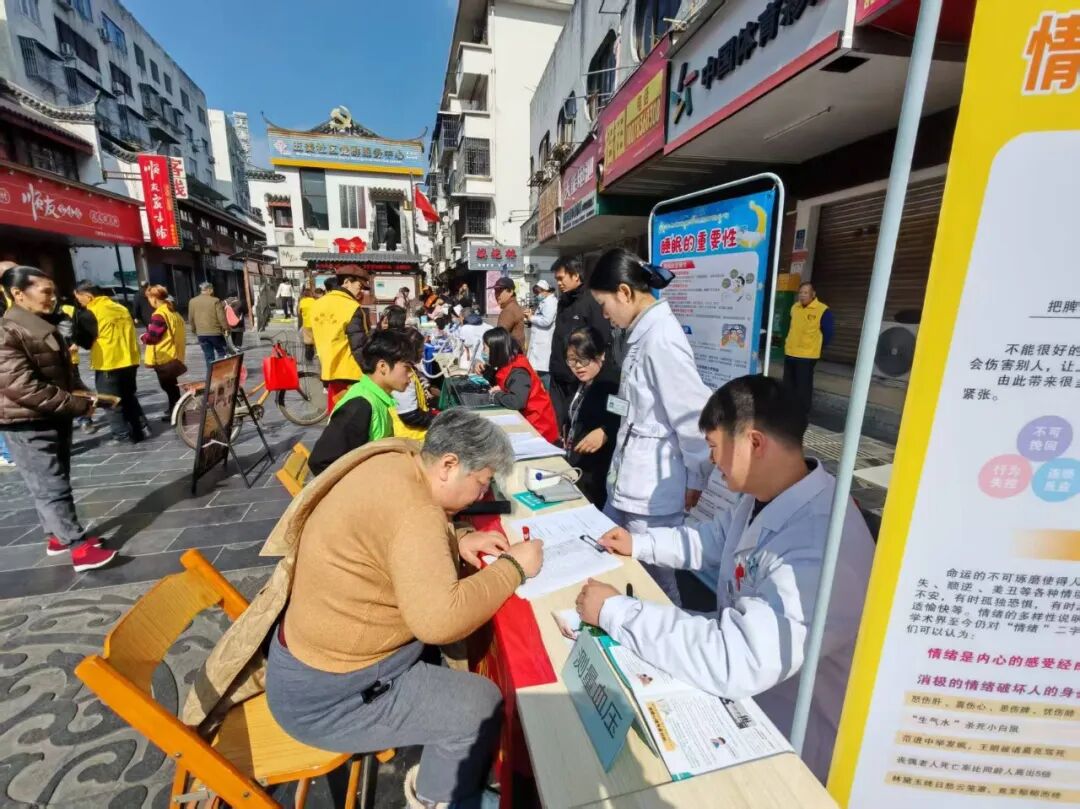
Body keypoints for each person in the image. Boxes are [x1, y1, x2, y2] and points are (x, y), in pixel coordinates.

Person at [579, 376, 874, 781]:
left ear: (754, 443)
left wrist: (616, 612)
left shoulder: (820, 544)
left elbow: (737, 658)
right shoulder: (764, 494)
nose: (712, 461)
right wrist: (640, 544)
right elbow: (712, 539)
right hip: (752, 704)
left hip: (793, 746)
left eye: (715, 447)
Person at [261, 410, 543, 808]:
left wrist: (456, 540)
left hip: (309, 661)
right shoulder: (416, 514)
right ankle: (436, 797)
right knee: (479, 705)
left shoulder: (397, 460)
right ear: (449, 465)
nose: (482, 496)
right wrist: (514, 568)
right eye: (481, 483)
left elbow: (394, 540)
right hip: (329, 696)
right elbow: (439, 621)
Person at [588, 248, 712, 605]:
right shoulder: (641, 334)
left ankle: (669, 629)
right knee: (614, 560)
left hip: (652, 492)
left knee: (656, 584)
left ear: (624, 292)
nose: (604, 314)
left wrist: (696, 477)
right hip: (630, 480)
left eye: (604, 304)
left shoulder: (662, 338)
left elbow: (691, 414)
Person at [0, 265, 116, 571]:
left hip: (52, 415)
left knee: (53, 480)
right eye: (46, 292)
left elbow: (62, 372)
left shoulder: (40, 323)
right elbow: (22, 387)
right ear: (18, 293)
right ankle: (78, 549)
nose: (53, 298)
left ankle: (56, 537)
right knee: (50, 485)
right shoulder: (8, 331)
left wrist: (83, 396)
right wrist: (75, 405)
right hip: (26, 422)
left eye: (53, 291)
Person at [308, 329, 417, 476]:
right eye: (407, 367)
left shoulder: (377, 398)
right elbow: (320, 462)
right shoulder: (360, 405)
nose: (411, 375)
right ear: (383, 366)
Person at [74, 281, 148, 445]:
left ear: (88, 296)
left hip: (109, 362)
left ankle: (122, 435)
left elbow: (85, 341)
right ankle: (139, 430)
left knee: (110, 401)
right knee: (129, 397)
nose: (79, 302)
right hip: (130, 360)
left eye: (79, 298)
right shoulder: (120, 308)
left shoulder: (90, 312)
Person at [561, 326, 620, 509]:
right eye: (572, 361)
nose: (578, 366)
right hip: (575, 465)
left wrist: (605, 431)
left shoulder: (612, 383)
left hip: (598, 475)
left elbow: (624, 417)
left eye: (584, 360)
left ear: (601, 355)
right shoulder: (578, 383)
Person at [548, 257, 611, 425]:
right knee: (558, 423)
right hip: (558, 374)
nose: (558, 283)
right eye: (556, 279)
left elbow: (601, 340)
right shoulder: (563, 301)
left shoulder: (591, 302)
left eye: (561, 278)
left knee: (576, 423)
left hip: (578, 378)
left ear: (576, 275)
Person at [481, 327, 558, 443]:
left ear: (496, 350)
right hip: (527, 420)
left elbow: (517, 401)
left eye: (485, 348)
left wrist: (495, 395)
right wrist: (486, 369)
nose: (483, 352)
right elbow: (497, 380)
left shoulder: (518, 371)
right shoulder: (506, 363)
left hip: (538, 426)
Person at [309, 266, 370, 409]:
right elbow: (358, 345)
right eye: (359, 286)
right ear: (347, 282)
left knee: (338, 413)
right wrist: (369, 370)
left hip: (329, 370)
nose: (361, 290)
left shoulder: (317, 304)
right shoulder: (351, 306)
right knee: (355, 415)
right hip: (351, 373)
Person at [783, 282, 834, 415]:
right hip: (790, 352)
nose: (802, 295)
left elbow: (828, 333)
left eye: (805, 292)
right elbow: (790, 327)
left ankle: (802, 413)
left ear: (813, 294)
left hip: (807, 356)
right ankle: (788, 411)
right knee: (788, 385)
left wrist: (816, 347)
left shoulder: (822, 310)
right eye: (800, 292)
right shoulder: (794, 307)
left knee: (803, 387)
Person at [140, 284, 187, 422]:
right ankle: (175, 409)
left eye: (149, 298)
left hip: (164, 356)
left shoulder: (160, 315)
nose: (149, 301)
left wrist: (143, 337)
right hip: (174, 354)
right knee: (172, 386)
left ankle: (177, 412)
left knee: (168, 387)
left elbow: (153, 337)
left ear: (154, 298)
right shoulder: (173, 312)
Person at [525, 279, 558, 388]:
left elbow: (546, 321)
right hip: (538, 344)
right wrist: (531, 316)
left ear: (545, 290)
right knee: (538, 375)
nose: (537, 295)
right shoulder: (544, 302)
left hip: (544, 345)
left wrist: (531, 318)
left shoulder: (551, 302)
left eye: (538, 292)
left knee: (545, 377)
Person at [188, 282, 230, 366]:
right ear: (209, 290)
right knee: (222, 353)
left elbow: (191, 318)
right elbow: (221, 317)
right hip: (215, 333)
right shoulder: (215, 300)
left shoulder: (192, 301)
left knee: (209, 356)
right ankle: (223, 371)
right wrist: (226, 328)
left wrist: (194, 329)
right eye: (212, 289)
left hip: (201, 334)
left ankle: (210, 373)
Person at [491, 278, 526, 348]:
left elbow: (499, 338)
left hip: (510, 352)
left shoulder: (509, 310)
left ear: (510, 292)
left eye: (500, 291)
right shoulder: (514, 306)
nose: (496, 295)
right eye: (495, 291)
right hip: (516, 351)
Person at [297, 287, 317, 363]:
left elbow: (298, 312)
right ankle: (313, 354)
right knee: (314, 340)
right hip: (315, 323)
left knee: (307, 341)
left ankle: (308, 357)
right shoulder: (315, 301)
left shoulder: (302, 301)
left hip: (306, 323)